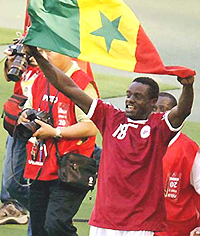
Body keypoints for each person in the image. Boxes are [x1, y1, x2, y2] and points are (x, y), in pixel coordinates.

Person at [24, 45, 194, 236]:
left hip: (140, 222)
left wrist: (187, 86)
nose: (130, 100)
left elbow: (183, 111)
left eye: (138, 97)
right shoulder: (111, 117)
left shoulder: (159, 126)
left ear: (152, 102)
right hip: (105, 219)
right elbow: (68, 87)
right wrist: (39, 57)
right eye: (128, 94)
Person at [18, 49, 98, 236]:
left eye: (49, 52)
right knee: (38, 228)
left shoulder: (81, 82)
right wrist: (24, 116)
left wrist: (55, 132)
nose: (43, 57)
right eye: (41, 52)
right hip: (40, 166)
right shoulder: (41, 78)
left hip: (70, 169)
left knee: (56, 225)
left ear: (66, 52)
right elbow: (29, 108)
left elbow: (92, 126)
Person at [0, 48, 40, 226]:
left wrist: (42, 60)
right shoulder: (29, 36)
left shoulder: (59, 37)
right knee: (12, 183)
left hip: (46, 116)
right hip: (20, 117)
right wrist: (13, 61)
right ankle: (15, 206)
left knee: (15, 184)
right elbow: (12, 75)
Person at [154, 92, 200, 236]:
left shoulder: (189, 150)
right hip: (143, 228)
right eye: (154, 109)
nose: (159, 114)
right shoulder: (139, 142)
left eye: (164, 110)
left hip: (178, 231)